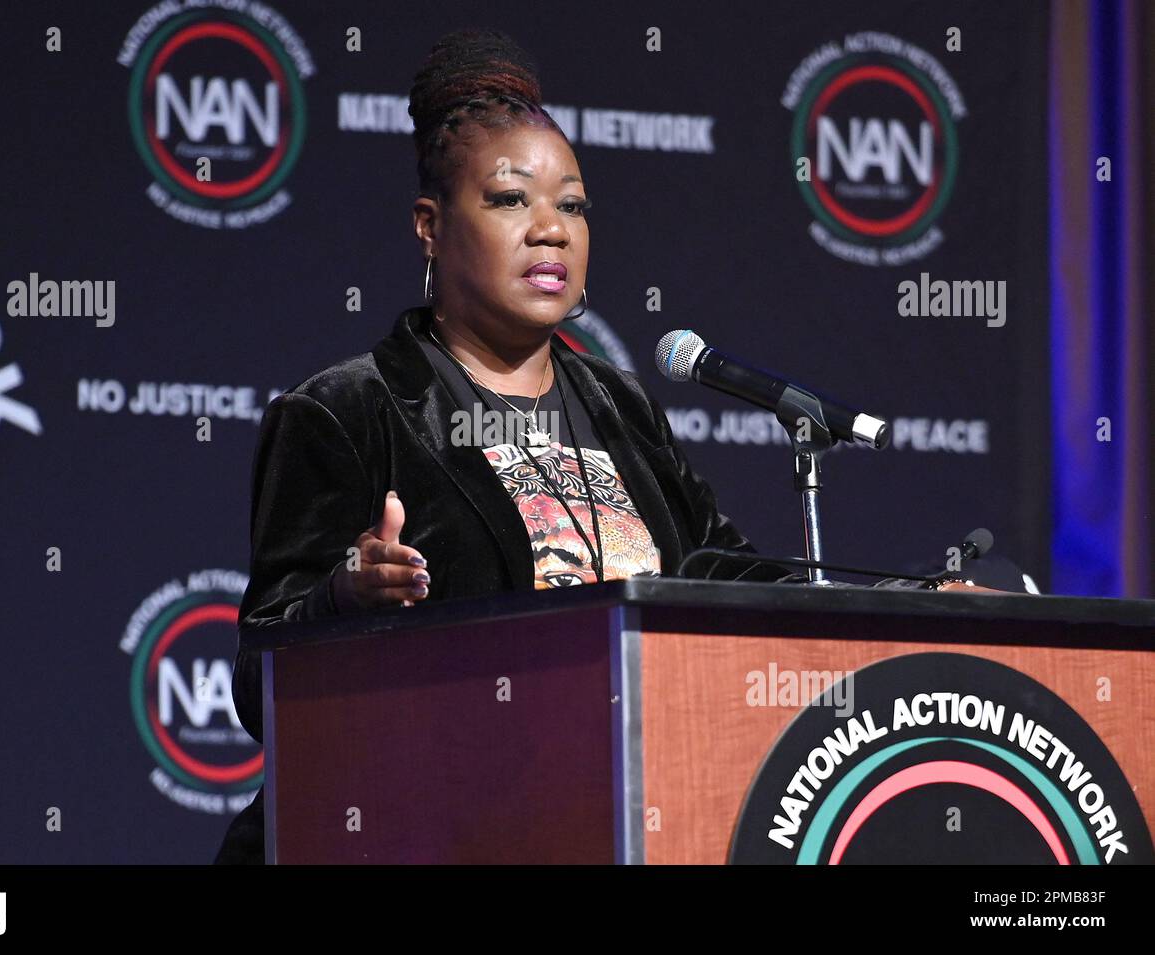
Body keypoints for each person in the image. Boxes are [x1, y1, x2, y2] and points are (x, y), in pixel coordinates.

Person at [213, 28, 980, 865]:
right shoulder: (348, 410)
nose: (551, 231)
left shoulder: (618, 403)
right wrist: (342, 599)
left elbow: (713, 570)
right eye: (510, 201)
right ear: (429, 226)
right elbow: (261, 685)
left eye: (572, 206)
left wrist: (906, 598)